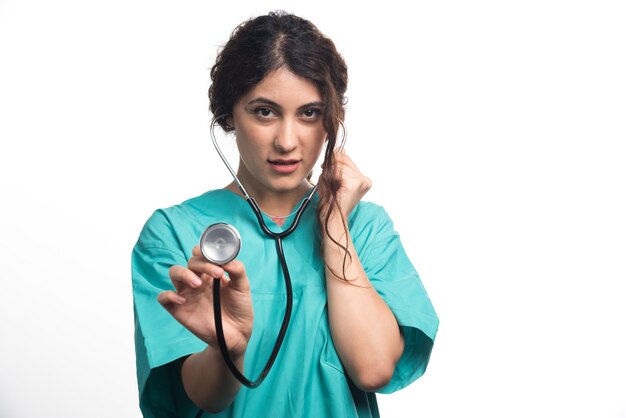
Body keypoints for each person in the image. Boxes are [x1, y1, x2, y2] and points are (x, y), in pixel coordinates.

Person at [132, 10, 439, 418]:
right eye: (264, 111)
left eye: (309, 113)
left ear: (332, 122)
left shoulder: (365, 228)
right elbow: (200, 397)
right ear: (228, 114)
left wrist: (334, 227)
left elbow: (374, 368)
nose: (287, 141)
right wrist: (231, 348)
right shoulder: (174, 232)